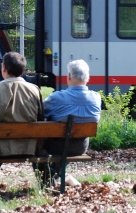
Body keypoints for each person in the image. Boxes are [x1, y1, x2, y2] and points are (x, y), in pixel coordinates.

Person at [0, 52, 44, 185]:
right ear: (23, 70)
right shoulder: (35, 90)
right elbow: (41, 117)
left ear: (4, 69)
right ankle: (46, 183)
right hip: (28, 147)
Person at [35, 59, 101, 187]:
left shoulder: (56, 98)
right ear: (88, 77)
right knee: (66, 143)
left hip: (55, 146)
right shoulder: (96, 98)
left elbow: (40, 113)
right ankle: (53, 179)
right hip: (80, 147)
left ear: (69, 76)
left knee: (39, 146)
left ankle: (46, 183)